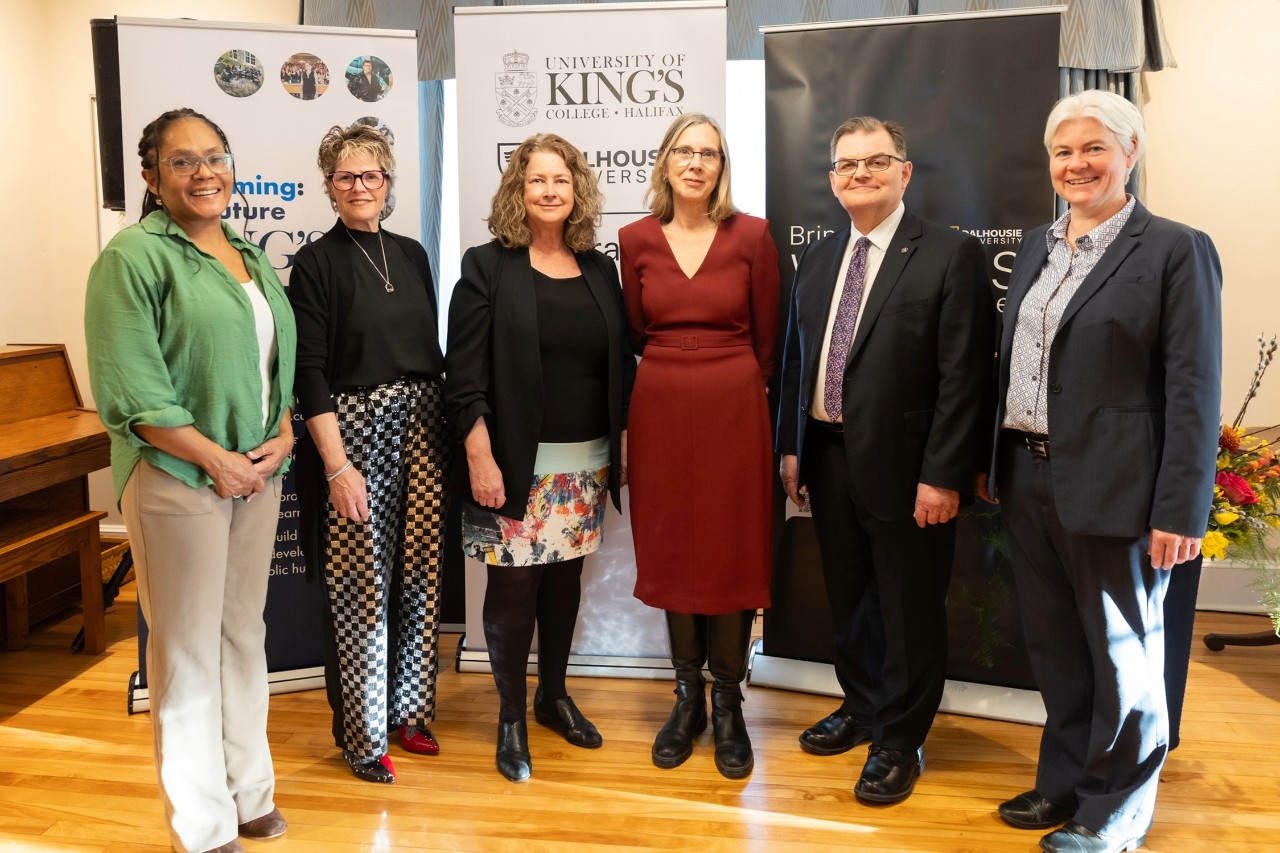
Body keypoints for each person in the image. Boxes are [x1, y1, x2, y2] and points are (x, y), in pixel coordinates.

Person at [979, 90, 1221, 853]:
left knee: (1123, 654)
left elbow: (1194, 387)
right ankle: (1065, 780)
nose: (1076, 164)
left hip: (1120, 487)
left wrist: (1180, 508)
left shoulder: (1175, 249)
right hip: (1028, 476)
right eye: (1063, 151)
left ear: (1130, 152)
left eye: (1093, 148)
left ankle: (1116, 808)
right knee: (1055, 646)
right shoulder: (1038, 244)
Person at [85, 108, 295, 853]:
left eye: (215, 156)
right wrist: (215, 458)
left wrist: (284, 431)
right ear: (151, 176)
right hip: (177, 477)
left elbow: (272, 364)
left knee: (242, 633)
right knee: (185, 650)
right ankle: (201, 826)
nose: (205, 172)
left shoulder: (248, 253)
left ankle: (249, 792)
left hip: (256, 474)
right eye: (182, 161)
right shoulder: (132, 257)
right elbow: (132, 391)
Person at [776, 116, 993, 804]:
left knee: (908, 607)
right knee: (849, 600)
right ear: (832, 179)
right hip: (828, 456)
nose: (860, 173)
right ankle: (862, 705)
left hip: (910, 468)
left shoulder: (949, 254)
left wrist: (943, 474)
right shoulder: (817, 259)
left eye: (875, 161)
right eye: (847, 164)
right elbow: (797, 361)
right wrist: (792, 445)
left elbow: (965, 377)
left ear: (905, 171)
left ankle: (900, 739)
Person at [445, 132, 634, 783]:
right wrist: (480, 456)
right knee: (513, 588)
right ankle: (510, 717)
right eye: (537, 180)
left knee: (563, 583)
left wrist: (624, 443)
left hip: (584, 463)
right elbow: (464, 374)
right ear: (517, 190)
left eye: (561, 180)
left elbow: (620, 364)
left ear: (577, 190)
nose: (550, 190)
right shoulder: (486, 266)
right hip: (512, 463)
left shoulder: (598, 269)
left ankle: (552, 697)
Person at [618, 113, 779, 780]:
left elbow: (768, 339)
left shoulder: (754, 235)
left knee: (731, 543)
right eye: (683, 151)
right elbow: (635, 328)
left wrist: (731, 382)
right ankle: (687, 697)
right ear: (665, 162)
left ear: (722, 166)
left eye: (708, 153)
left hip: (734, 405)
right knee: (673, 544)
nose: (695, 163)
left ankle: (728, 699)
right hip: (658, 403)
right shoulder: (633, 239)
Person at [288, 125, 450, 785]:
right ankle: (362, 735)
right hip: (353, 430)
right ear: (330, 186)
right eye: (346, 176)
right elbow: (308, 371)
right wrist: (336, 465)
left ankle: (409, 711)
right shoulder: (316, 262)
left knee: (420, 577)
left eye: (371, 175)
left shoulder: (411, 253)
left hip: (424, 426)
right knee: (359, 585)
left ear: (388, 183)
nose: (360, 186)